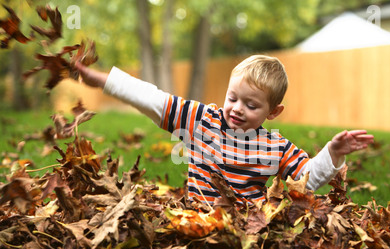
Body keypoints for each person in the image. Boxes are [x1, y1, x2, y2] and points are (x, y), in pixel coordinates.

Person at [74, 55, 374, 206]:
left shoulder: (275, 147)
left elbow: (305, 182)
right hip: (195, 220)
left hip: (245, 232)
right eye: (233, 98)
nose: (237, 108)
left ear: (273, 112)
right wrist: (102, 80)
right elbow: (152, 98)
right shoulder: (201, 119)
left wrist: (332, 153)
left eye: (251, 105)